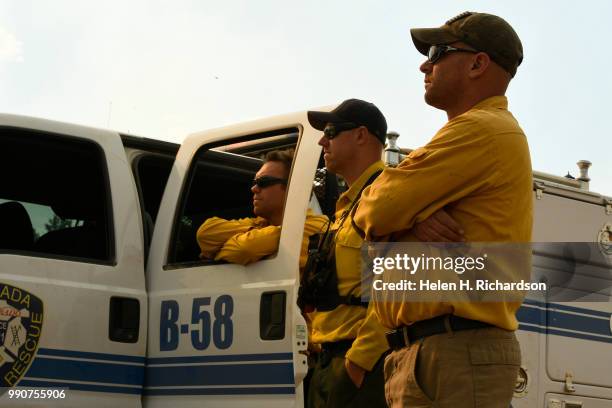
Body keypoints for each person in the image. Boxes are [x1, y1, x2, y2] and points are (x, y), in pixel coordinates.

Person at [354, 12, 532, 408]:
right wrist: (413, 220)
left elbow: (379, 209)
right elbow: (368, 209)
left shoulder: (481, 130)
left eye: (437, 52)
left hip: (452, 353)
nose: (424, 64)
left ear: (477, 63)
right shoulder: (472, 132)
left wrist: (395, 225)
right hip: (433, 351)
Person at [197, 148, 328, 267]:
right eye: (255, 182)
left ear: (293, 188)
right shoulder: (260, 223)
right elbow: (205, 233)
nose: (254, 188)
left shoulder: (318, 226)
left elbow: (245, 248)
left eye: (263, 182)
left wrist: (216, 255)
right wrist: (265, 231)